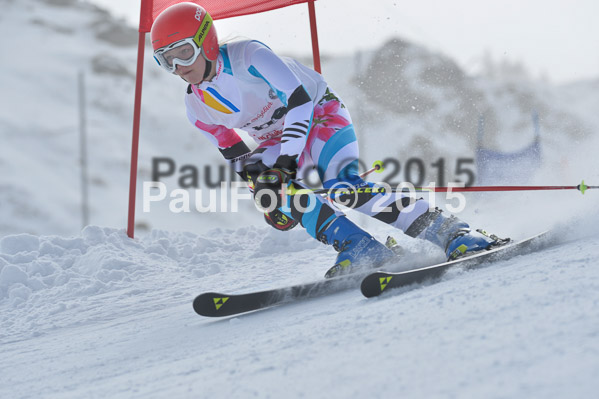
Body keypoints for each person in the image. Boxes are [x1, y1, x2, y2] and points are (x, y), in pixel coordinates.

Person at [150, 3, 503, 277]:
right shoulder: (196, 106)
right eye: (166, 60)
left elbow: (299, 101)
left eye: (184, 52)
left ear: (205, 40)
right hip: (277, 138)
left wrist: (286, 163)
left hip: (319, 115)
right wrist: (267, 193)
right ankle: (360, 248)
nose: (179, 66)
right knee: (275, 190)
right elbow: (238, 156)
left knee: (340, 186)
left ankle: (451, 231)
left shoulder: (248, 56)